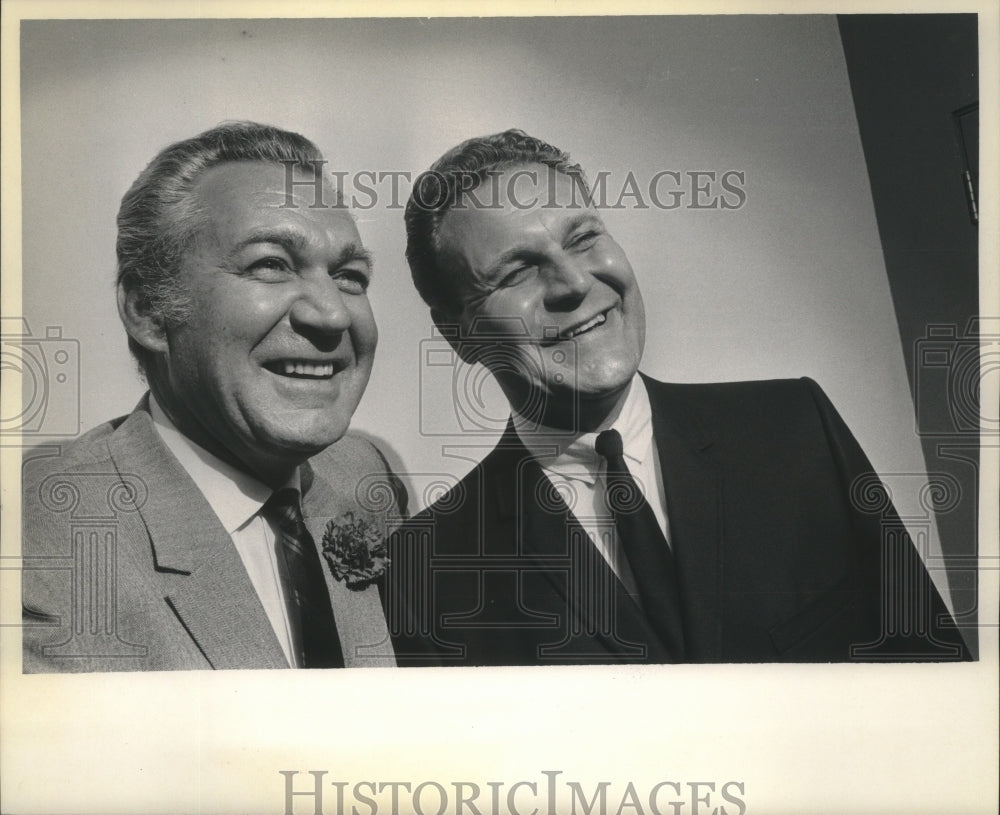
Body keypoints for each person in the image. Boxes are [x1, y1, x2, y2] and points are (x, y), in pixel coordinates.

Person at [386, 129, 971, 665]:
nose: (574, 283)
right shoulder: (423, 575)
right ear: (458, 335)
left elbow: (933, 676)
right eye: (517, 272)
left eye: (584, 238)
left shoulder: (796, 430)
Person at [22, 122, 404, 671]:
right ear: (149, 310)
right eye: (270, 264)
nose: (333, 314)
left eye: (349, 276)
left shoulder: (369, 474)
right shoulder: (43, 548)